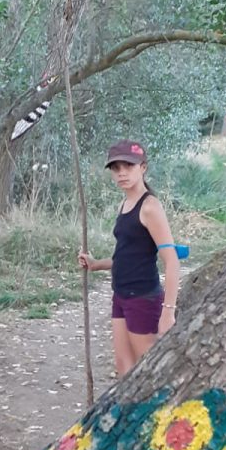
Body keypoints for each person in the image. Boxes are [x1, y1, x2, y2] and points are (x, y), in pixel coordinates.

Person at [79, 140, 181, 376]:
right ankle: (128, 413)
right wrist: (96, 264)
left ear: (143, 167)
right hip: (121, 296)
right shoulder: (124, 204)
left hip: (143, 299)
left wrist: (168, 312)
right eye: (116, 168)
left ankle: (158, 413)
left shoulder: (150, 207)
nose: (122, 173)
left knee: (147, 373)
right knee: (124, 368)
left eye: (129, 166)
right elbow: (128, 256)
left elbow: (172, 260)